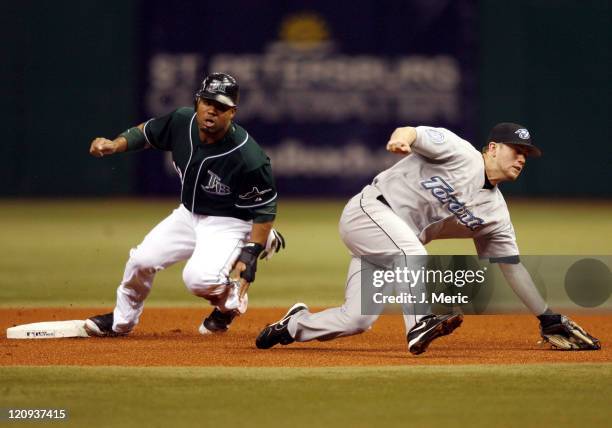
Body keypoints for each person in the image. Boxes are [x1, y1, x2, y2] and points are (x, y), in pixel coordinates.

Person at [255, 123, 601, 354]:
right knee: (412, 250)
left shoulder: (495, 214)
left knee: (356, 319)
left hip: (390, 243)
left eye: (527, 154)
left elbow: (511, 268)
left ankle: (294, 325)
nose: (522, 157)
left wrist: (546, 316)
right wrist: (403, 139)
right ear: (493, 148)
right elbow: (412, 132)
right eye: (515, 149)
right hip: (368, 212)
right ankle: (419, 323)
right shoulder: (458, 151)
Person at [85, 73, 284, 337]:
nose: (212, 109)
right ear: (197, 102)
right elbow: (146, 133)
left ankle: (228, 304)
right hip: (188, 214)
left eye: (221, 106)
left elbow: (265, 207)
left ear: (232, 112)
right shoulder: (181, 121)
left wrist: (251, 251)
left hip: (228, 221)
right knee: (141, 260)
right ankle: (121, 322)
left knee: (198, 280)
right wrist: (115, 144)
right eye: (207, 101)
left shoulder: (248, 157)